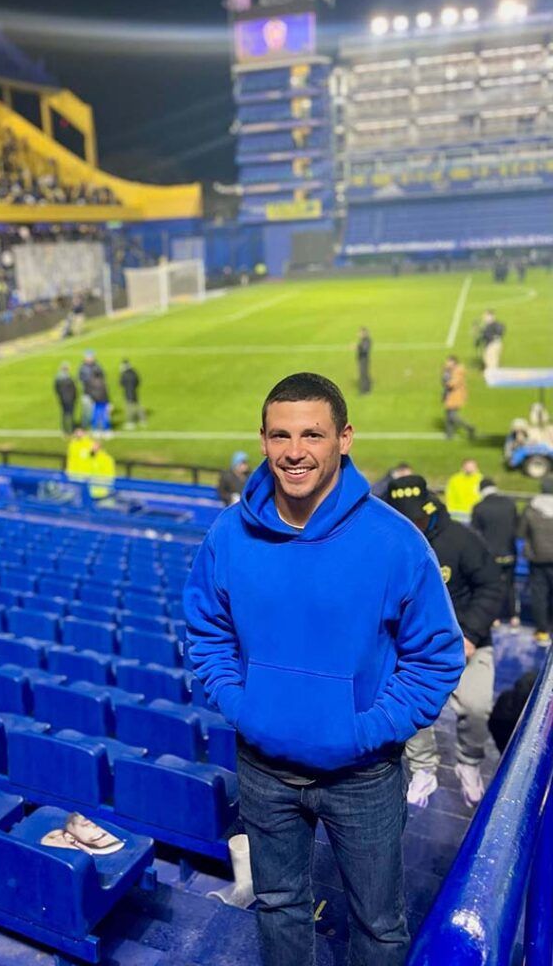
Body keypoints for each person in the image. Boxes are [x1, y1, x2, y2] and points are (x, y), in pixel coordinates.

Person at [184, 372, 464, 966]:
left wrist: (364, 730)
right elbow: (206, 634)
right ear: (262, 441)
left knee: (379, 925)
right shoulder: (227, 535)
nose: (295, 451)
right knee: (280, 904)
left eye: (313, 433)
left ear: (345, 439)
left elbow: (436, 657)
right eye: (280, 435)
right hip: (263, 771)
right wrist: (244, 708)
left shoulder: (395, 541)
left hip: (362, 777)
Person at [386, 475, 504, 808]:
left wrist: (469, 634)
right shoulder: (391, 542)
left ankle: (469, 761)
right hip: (414, 646)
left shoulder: (462, 540)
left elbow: (492, 587)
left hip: (470, 639)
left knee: (477, 706)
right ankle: (423, 767)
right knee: (410, 705)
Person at [471, 477, 519, 627]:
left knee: (491, 587)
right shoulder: (510, 504)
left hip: (490, 556)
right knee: (510, 584)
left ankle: (494, 617)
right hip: (509, 552)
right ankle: (513, 616)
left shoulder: (479, 507)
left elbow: (475, 535)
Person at [518, 478, 553, 647]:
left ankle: (542, 631)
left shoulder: (532, 508)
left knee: (540, 594)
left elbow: (521, 532)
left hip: (537, 558)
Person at [442, 354, 476, 441]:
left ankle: (469, 428)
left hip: (456, 396)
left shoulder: (458, 371)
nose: (446, 363)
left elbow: (453, 384)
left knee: (452, 416)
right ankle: (449, 434)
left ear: (453, 362)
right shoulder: (450, 370)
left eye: (448, 362)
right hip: (450, 396)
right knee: (448, 415)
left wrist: (446, 381)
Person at [78, 350, 103, 431]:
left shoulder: (97, 366)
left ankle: (96, 426)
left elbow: (102, 376)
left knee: (97, 410)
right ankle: (84, 427)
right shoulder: (82, 367)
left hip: (97, 392)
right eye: (90, 357)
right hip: (87, 392)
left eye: (92, 357)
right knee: (86, 411)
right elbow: (80, 378)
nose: (91, 359)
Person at [119, 359, 145, 429]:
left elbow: (121, 383)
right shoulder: (134, 372)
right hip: (134, 392)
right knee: (138, 405)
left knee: (129, 408)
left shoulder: (123, 374)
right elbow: (138, 381)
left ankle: (130, 422)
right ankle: (143, 420)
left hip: (128, 393)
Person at [53, 362, 77, 435]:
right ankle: (71, 429)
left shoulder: (57, 378)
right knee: (71, 414)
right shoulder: (69, 379)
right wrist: (74, 397)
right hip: (69, 399)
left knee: (64, 414)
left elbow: (56, 389)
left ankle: (65, 429)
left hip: (62, 399)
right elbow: (73, 389)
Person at [88, 367, 111, 434]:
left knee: (95, 416)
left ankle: (96, 430)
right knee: (105, 416)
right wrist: (108, 402)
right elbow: (106, 393)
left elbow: (90, 392)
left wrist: (92, 400)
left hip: (95, 401)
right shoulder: (103, 382)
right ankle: (106, 430)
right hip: (103, 401)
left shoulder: (91, 382)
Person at [356, 327, 372, 394]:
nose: (359, 334)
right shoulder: (364, 340)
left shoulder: (366, 340)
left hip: (364, 360)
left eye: (360, 333)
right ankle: (366, 389)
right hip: (363, 360)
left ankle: (364, 390)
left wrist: (357, 347)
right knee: (364, 374)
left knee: (363, 375)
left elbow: (365, 349)